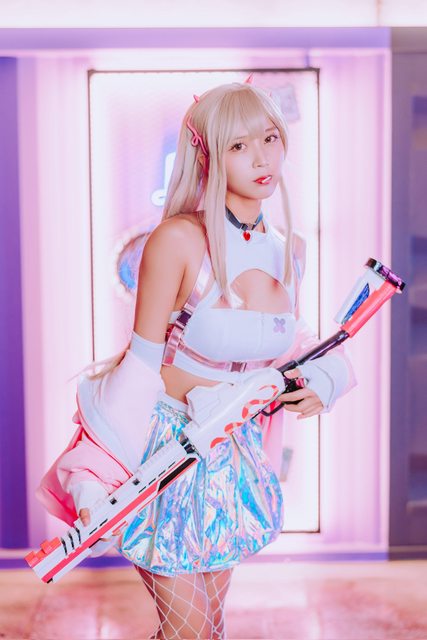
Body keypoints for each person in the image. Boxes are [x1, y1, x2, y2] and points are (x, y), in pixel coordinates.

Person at [37, 78, 357, 640]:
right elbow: (140, 367)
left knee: (206, 629)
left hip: (230, 450)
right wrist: (97, 480)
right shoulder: (178, 241)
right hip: (164, 452)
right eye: (239, 145)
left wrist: (326, 378)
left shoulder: (291, 251)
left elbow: (291, 339)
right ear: (208, 156)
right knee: (190, 632)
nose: (261, 158)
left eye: (269, 138)